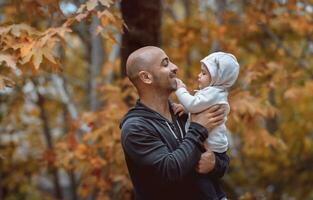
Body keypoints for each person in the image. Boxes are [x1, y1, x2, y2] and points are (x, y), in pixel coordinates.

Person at [120, 46, 229, 200]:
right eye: (165, 64)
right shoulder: (135, 128)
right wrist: (199, 129)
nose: (175, 67)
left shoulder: (183, 113)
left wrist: (215, 164)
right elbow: (169, 170)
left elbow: (222, 159)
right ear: (146, 77)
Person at [173, 52, 240, 200]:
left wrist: (180, 89)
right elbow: (197, 108)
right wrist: (186, 110)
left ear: (217, 78)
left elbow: (193, 104)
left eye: (203, 73)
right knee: (204, 179)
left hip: (210, 147)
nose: (198, 75)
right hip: (213, 147)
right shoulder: (214, 93)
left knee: (201, 180)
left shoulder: (213, 93)